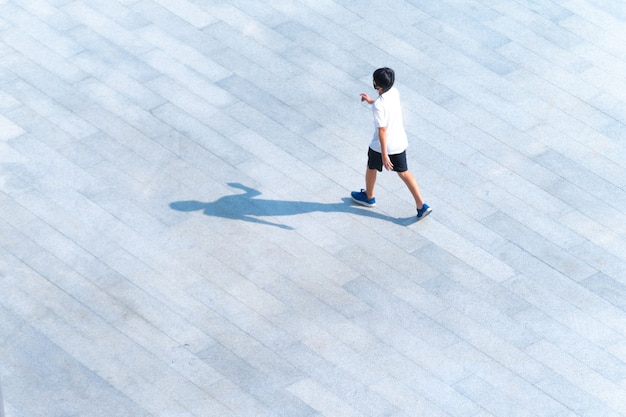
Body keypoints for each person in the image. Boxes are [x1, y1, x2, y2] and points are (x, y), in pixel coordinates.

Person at [351, 67, 432, 220]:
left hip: (381, 146)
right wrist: (371, 101)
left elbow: (382, 130)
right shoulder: (394, 92)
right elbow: (385, 105)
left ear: (377, 86)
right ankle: (421, 205)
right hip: (399, 142)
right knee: (404, 172)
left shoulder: (378, 106)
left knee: (371, 167)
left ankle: (369, 197)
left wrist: (385, 156)